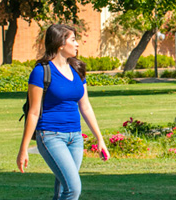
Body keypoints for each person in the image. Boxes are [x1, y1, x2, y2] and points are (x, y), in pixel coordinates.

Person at [16, 24, 111, 200]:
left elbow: (85, 106)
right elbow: (34, 112)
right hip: (50, 136)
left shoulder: (78, 70)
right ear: (60, 43)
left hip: (75, 137)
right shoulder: (40, 72)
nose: (77, 44)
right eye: (73, 40)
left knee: (62, 191)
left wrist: (100, 138)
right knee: (73, 189)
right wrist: (24, 149)